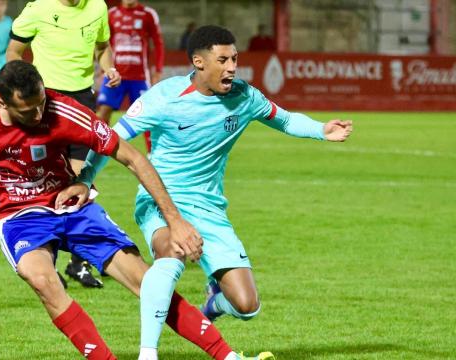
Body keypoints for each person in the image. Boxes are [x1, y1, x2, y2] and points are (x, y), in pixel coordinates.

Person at [0, 60, 245, 360]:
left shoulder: (64, 112)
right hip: (16, 216)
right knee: (41, 278)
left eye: (40, 104)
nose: (37, 115)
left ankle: (226, 355)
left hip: (71, 205)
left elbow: (131, 157)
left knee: (147, 283)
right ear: (2, 103)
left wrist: (175, 220)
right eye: (26, 111)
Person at [66, 25, 354, 360]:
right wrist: (85, 179)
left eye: (235, 59)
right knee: (171, 254)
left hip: (209, 208)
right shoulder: (163, 97)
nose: (232, 67)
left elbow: (285, 120)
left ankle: (213, 300)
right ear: (199, 62)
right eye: (223, 60)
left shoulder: (245, 97)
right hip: (162, 199)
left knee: (247, 307)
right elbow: (110, 140)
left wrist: (322, 130)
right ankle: (148, 353)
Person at [6, 0, 121, 288]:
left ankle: (77, 263)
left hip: (81, 101)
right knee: (44, 180)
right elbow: (14, 50)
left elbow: (102, 47)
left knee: (78, 180)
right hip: (45, 102)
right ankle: (48, 262)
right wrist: (20, 90)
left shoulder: (97, 7)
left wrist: (108, 68)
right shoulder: (37, 9)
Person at [97, 0, 164, 152]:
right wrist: (104, 70)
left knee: (147, 115)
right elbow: (103, 44)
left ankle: (153, 154)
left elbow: (158, 44)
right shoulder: (111, 14)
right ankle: (97, 151)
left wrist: (158, 70)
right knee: (103, 112)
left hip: (139, 77)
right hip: (115, 74)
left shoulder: (148, 14)